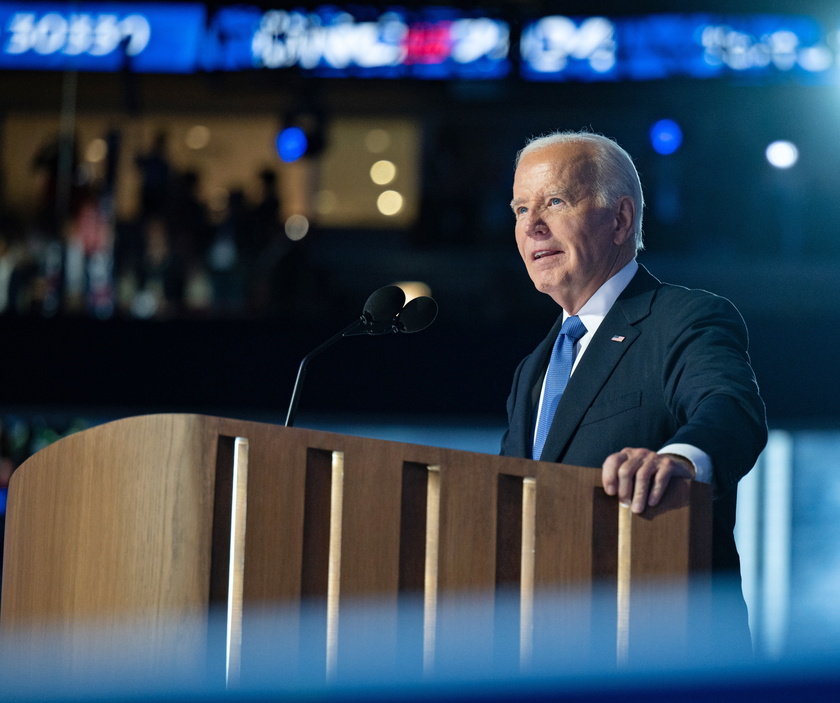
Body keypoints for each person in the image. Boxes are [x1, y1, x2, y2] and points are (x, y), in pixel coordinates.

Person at [500, 130, 767, 650]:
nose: (532, 225)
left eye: (555, 201)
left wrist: (683, 462)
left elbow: (730, 408)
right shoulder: (533, 368)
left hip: (664, 650)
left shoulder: (683, 318)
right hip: (547, 649)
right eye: (520, 209)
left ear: (619, 219)